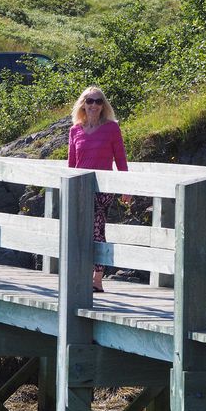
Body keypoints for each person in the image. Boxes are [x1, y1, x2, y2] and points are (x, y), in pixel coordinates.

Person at [68, 86, 132, 293]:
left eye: (98, 101)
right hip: (79, 187)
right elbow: (72, 163)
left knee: (96, 226)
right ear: (83, 104)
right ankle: (83, 274)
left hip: (102, 188)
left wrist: (125, 187)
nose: (93, 105)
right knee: (80, 229)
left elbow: (120, 159)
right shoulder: (75, 130)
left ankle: (97, 277)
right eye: (89, 101)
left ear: (103, 105)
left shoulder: (111, 128)